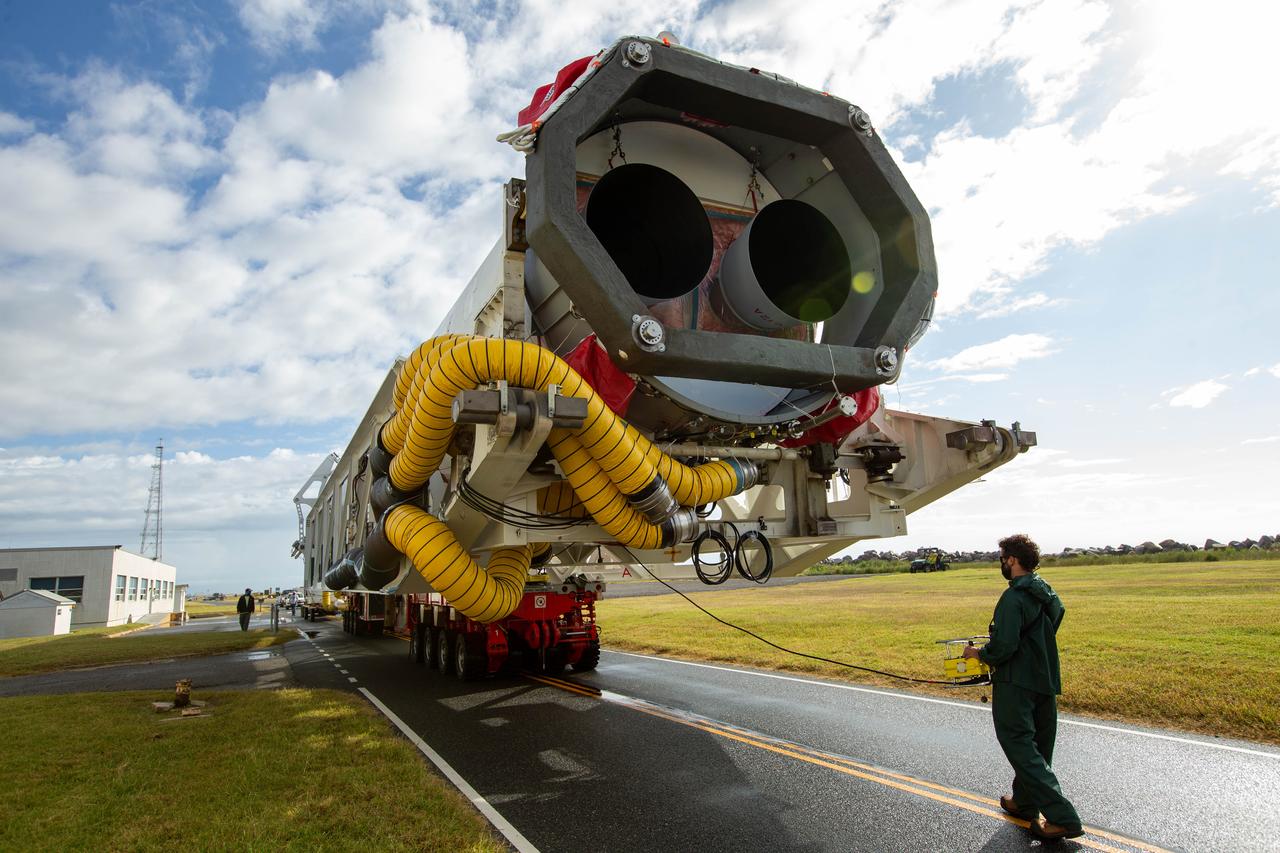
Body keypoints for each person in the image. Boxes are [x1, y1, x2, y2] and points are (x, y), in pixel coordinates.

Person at [963, 534, 1082, 841]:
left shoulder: (1013, 598)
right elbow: (1057, 617)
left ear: (1013, 560)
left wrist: (979, 654)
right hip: (1045, 677)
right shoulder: (1047, 592)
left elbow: (1003, 647)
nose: (1001, 562)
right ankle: (1025, 802)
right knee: (1039, 746)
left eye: (1002, 557)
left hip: (1016, 681)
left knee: (1018, 743)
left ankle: (1062, 817)